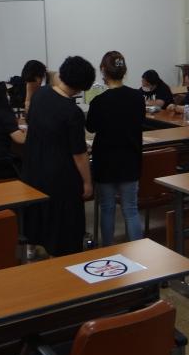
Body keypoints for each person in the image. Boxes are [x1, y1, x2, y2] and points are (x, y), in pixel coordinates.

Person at [21, 55, 95, 257]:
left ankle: (31, 248)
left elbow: (30, 120)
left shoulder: (40, 94)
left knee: (37, 213)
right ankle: (59, 257)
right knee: (63, 223)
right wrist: (87, 182)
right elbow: (79, 153)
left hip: (34, 167)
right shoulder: (72, 112)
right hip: (60, 176)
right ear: (82, 87)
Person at [87, 51, 145, 245]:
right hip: (130, 159)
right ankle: (138, 252)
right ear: (124, 70)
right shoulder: (137, 97)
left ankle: (108, 250)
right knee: (131, 209)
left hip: (105, 162)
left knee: (107, 208)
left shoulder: (99, 101)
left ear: (103, 71)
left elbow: (90, 127)